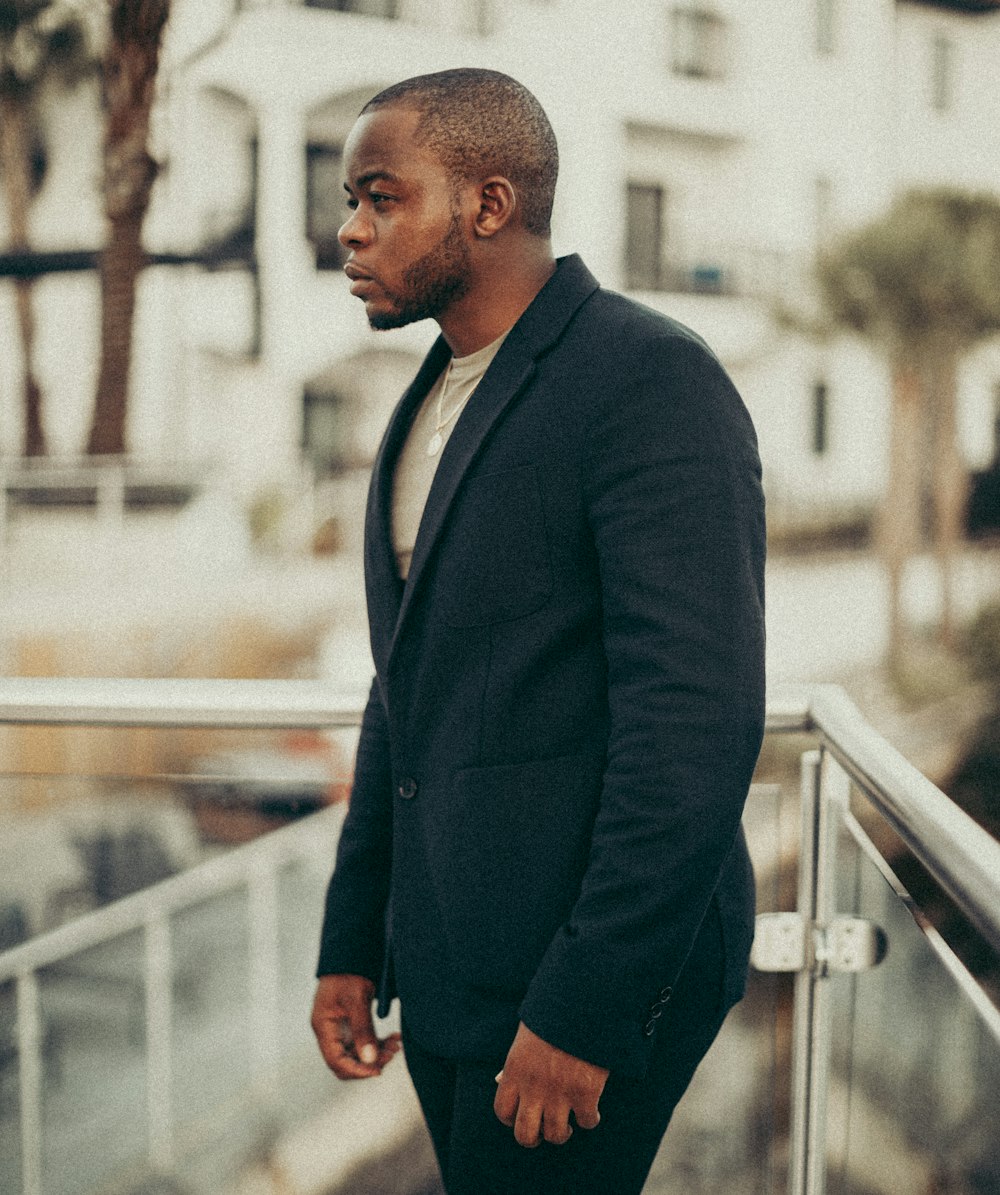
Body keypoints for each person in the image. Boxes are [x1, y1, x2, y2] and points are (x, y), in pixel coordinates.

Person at [311, 68, 766, 1195]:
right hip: (456, 957)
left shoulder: (649, 377)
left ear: (489, 203)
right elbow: (405, 689)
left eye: (380, 197)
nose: (347, 230)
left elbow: (694, 721)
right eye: (351, 201)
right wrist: (353, 937)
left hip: (586, 969)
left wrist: (589, 1004)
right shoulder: (431, 396)